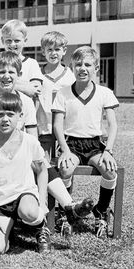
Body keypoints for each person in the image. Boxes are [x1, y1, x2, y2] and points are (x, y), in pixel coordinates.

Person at [0, 52, 94, 250]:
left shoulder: (26, 101)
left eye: (11, 71)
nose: (6, 75)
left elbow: (32, 137)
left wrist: (23, 155)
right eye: (1, 71)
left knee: (40, 159)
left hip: (19, 151)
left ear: (19, 74)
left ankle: (67, 206)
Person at [52, 46, 119, 238]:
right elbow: (57, 125)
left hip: (95, 146)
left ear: (96, 68)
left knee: (110, 170)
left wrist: (108, 150)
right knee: (65, 168)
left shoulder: (104, 92)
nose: (82, 68)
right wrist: (64, 150)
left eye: (88, 65)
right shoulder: (63, 92)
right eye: (78, 64)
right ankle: (66, 211)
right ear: (72, 67)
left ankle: (101, 211)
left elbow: (112, 125)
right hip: (71, 145)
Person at [0, 92, 48, 255]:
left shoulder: (30, 142)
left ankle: (39, 226)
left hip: (24, 195)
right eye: (0, 114)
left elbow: (42, 171)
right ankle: (8, 231)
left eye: (10, 114)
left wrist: (42, 204)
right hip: (0, 202)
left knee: (30, 212)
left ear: (20, 116)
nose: (5, 119)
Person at [38, 31, 75, 159]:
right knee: (43, 162)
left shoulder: (70, 76)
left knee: (65, 163)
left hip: (65, 129)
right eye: (49, 50)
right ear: (43, 52)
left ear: (64, 51)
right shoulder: (37, 74)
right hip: (44, 128)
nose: (53, 53)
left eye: (57, 49)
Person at [0, 19, 43, 99]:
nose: (12, 44)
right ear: (2, 40)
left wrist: (3, 83)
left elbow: (35, 88)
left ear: (25, 41)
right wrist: (24, 87)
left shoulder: (31, 63)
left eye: (17, 41)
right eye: (8, 40)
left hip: (24, 107)